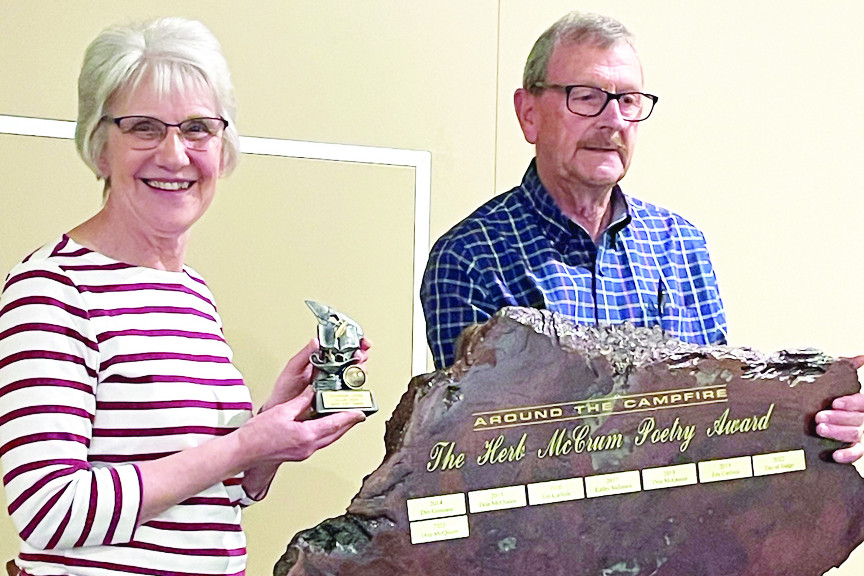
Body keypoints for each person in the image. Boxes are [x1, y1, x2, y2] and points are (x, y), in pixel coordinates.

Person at [0, 18, 366, 576]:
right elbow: (51, 511)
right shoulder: (51, 290)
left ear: (223, 148)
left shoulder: (190, 291)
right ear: (100, 148)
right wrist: (242, 445)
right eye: (144, 127)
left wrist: (275, 430)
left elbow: (214, 502)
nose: (175, 155)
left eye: (198, 128)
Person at [420, 12, 864, 462]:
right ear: (529, 113)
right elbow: (478, 453)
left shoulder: (681, 246)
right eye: (587, 97)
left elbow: (713, 417)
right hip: (541, 530)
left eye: (628, 101)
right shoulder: (469, 259)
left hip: (675, 526)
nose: (612, 120)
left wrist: (813, 411)